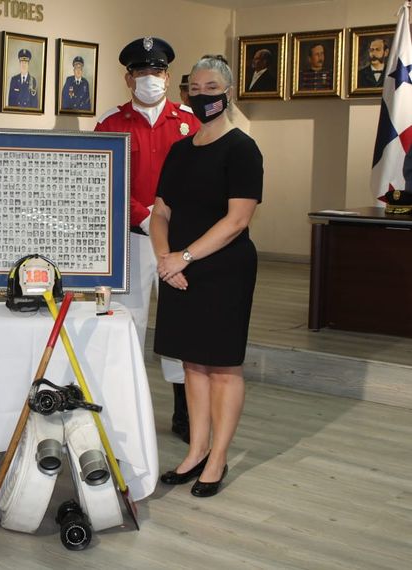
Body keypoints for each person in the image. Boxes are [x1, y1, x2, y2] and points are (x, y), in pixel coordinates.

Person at [152, 55, 263, 497]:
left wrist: (184, 257)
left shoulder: (242, 148)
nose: (202, 97)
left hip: (223, 270)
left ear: (228, 91)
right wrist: (166, 259)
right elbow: (161, 211)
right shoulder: (180, 150)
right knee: (192, 364)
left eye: (211, 88)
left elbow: (237, 219)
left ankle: (218, 457)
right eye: (194, 89)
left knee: (222, 367)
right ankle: (195, 451)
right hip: (179, 270)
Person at [94, 36, 200, 443]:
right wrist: (144, 217)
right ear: (128, 78)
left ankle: (184, 410)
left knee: (179, 325)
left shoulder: (190, 123)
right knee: (128, 323)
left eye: (156, 72)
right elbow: (104, 182)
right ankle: (125, 407)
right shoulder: (111, 124)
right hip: (131, 240)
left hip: (180, 245)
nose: (149, 79)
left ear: (169, 77)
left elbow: (200, 183)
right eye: (141, 72)